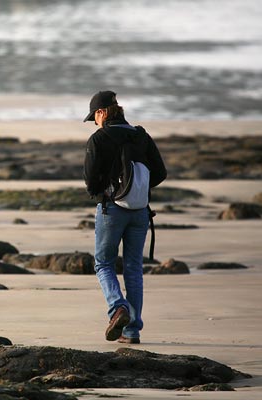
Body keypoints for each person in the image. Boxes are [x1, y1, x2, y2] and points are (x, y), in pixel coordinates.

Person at [83, 90, 166, 344]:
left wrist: (105, 193)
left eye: (93, 117)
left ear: (101, 113)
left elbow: (90, 182)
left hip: (111, 209)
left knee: (104, 264)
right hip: (140, 212)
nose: (94, 122)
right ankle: (132, 331)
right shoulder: (140, 135)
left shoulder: (99, 139)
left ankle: (118, 307)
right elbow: (160, 173)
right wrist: (137, 190)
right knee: (133, 269)